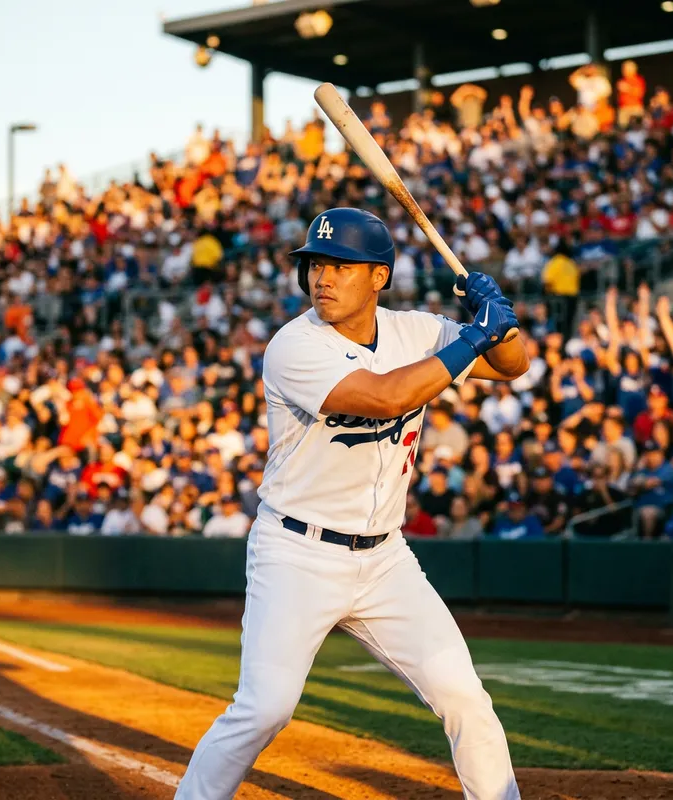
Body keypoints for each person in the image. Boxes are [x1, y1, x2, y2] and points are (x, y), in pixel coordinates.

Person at [175, 207, 528, 800]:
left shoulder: (416, 332)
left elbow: (513, 368)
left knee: (464, 694)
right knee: (263, 710)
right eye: (315, 264)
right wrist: (474, 335)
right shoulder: (294, 346)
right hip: (297, 552)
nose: (323, 277)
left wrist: (500, 324)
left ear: (379, 277)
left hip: (386, 559)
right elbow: (388, 397)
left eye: (341, 265)